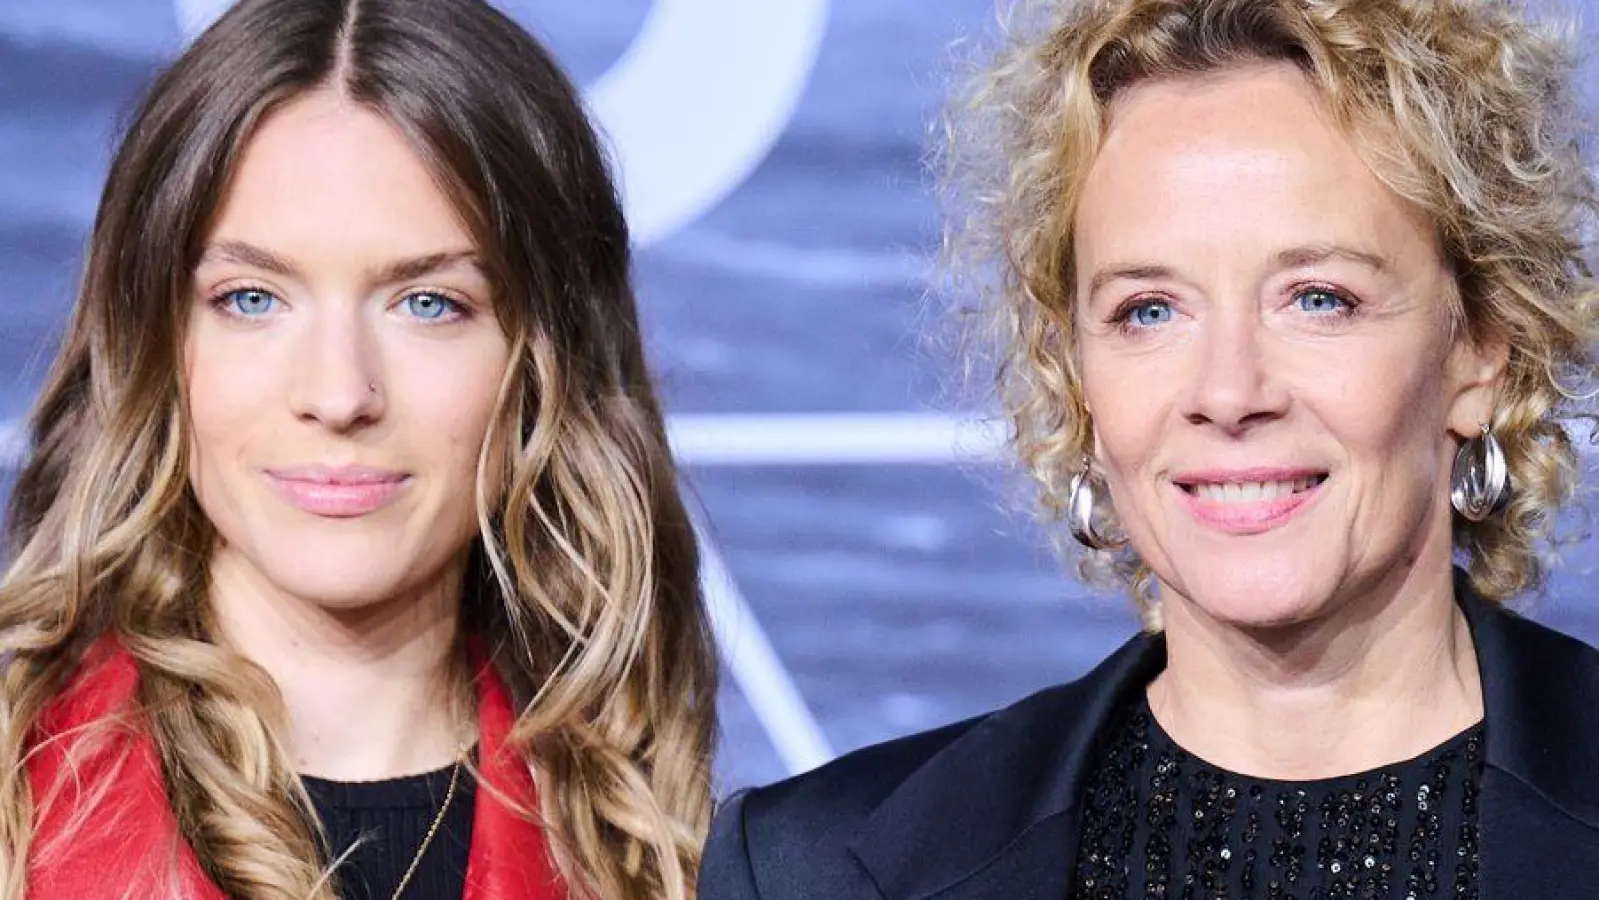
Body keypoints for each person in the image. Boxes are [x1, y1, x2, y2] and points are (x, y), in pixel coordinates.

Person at [700, 0, 1599, 895]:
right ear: (1075, 372)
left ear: (1482, 349)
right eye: (1149, 311)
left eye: (1317, 298)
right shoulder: (812, 868)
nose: (1228, 392)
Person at [0, 1, 717, 898]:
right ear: (153, 343)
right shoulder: (15, 812)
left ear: (541, 363)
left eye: (428, 303)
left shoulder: (669, 855)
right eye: (252, 299)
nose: (339, 395)